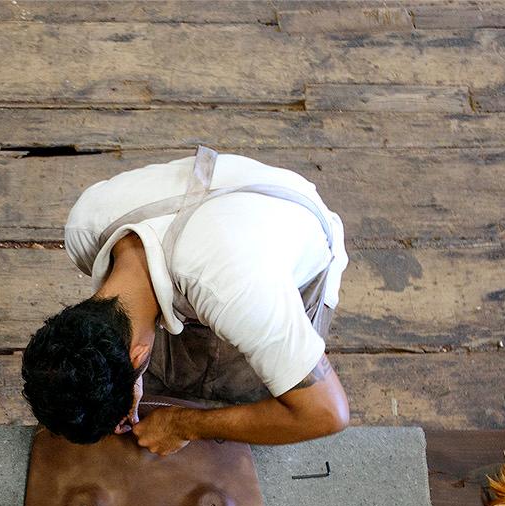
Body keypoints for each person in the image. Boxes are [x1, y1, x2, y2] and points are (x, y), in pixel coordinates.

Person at [21, 147, 351, 455]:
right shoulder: (85, 225)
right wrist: (131, 376)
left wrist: (184, 425)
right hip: (225, 231)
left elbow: (326, 413)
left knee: (253, 393)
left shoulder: (238, 292)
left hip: (295, 236)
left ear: (139, 354)